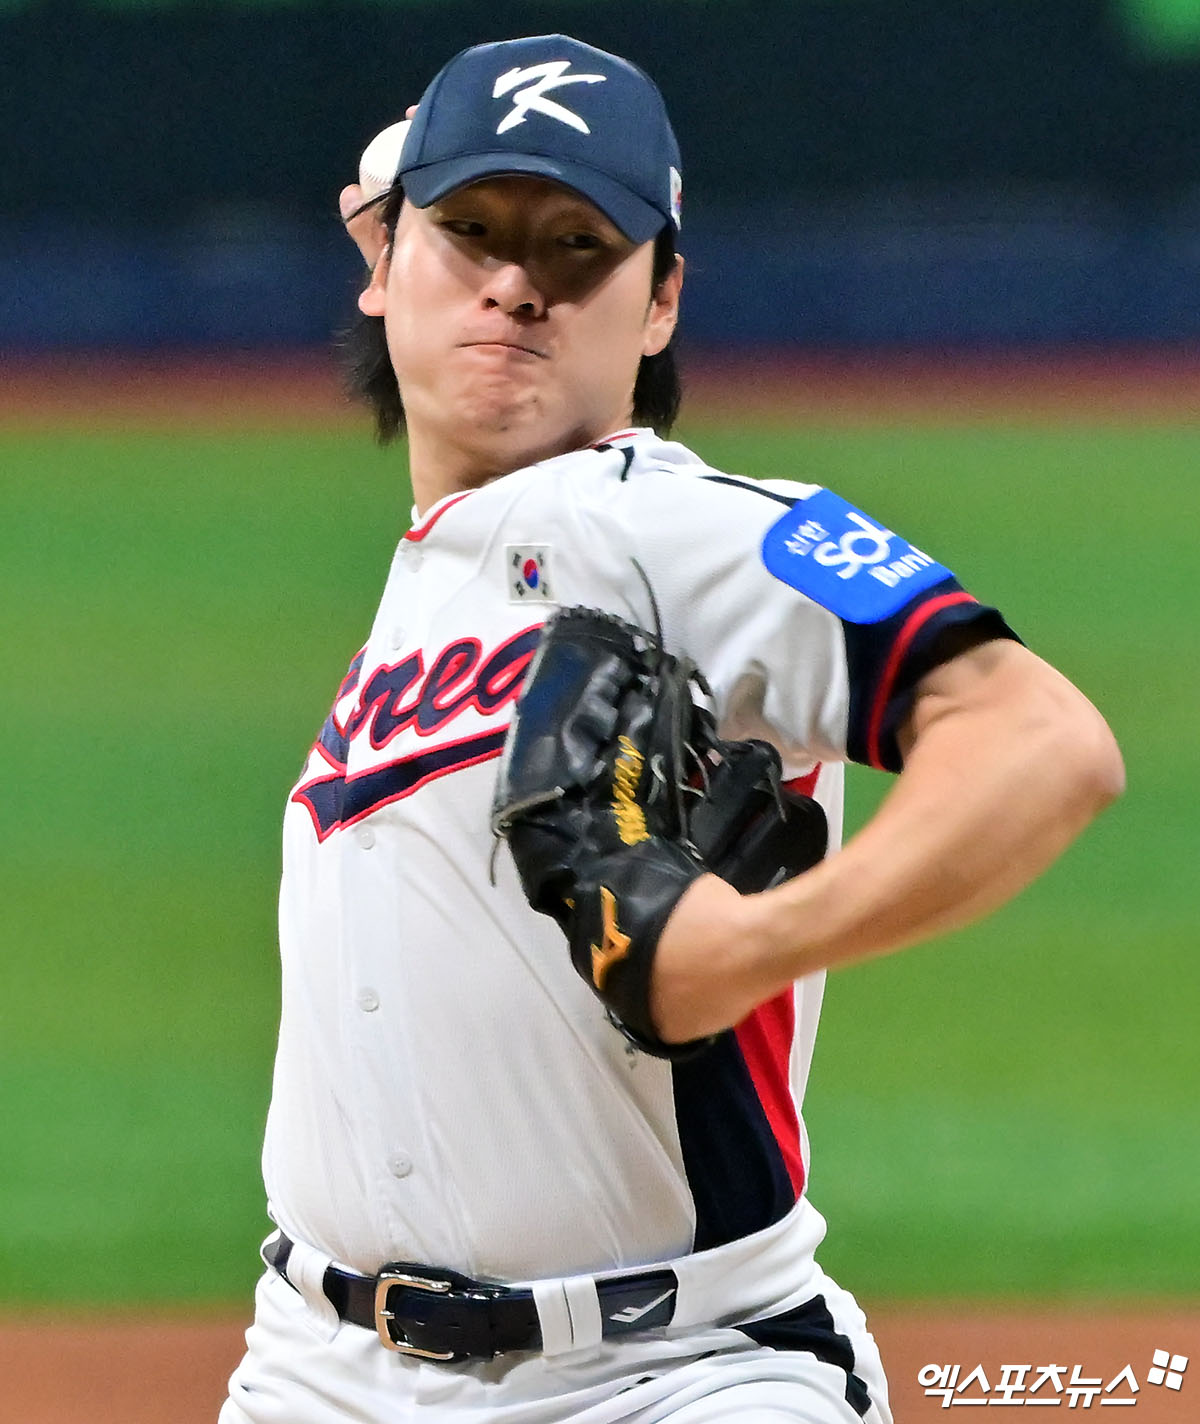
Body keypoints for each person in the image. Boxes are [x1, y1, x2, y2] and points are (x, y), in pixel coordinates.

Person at [220, 33, 1123, 1424]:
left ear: (660, 305)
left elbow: (1043, 741)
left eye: (578, 247)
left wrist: (748, 948)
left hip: (673, 1373)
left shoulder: (680, 523)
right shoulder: (436, 576)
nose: (516, 284)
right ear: (383, 259)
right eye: (470, 233)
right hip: (317, 1368)